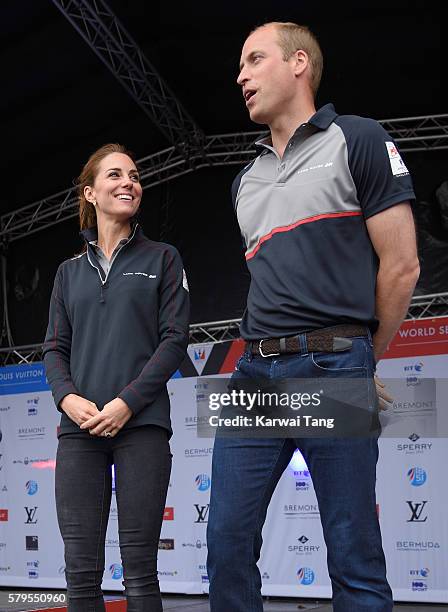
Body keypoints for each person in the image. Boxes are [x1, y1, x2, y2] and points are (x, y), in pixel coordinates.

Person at [206, 22, 419, 612]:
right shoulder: (242, 182)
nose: (240, 76)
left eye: (254, 59)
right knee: (224, 545)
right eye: (239, 65)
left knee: (353, 553)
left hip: (335, 364)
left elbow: (402, 266)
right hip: (253, 374)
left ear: (299, 63)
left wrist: (361, 359)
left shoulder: (359, 138)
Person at [43, 143, 190, 612]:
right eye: (115, 175)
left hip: (142, 428)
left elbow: (174, 340)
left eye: (135, 175)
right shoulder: (67, 273)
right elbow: (53, 350)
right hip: (79, 432)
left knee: (140, 574)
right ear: (90, 192)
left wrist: (126, 403)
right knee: (80, 576)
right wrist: (68, 399)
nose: (129, 182)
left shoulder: (164, 258)